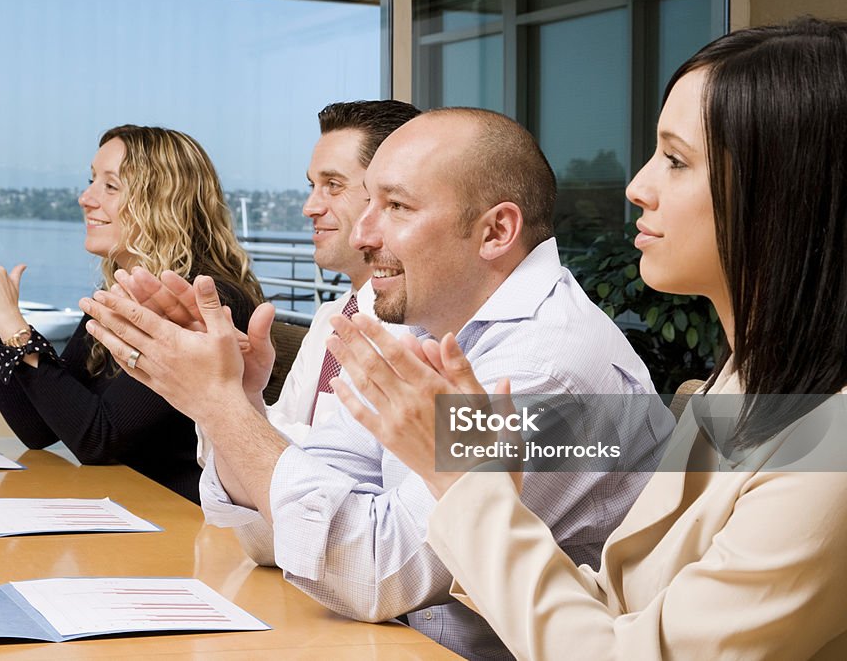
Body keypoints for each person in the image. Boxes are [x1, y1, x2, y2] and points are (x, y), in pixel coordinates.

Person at [327, 18, 847, 658]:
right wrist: (476, 486)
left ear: (786, 196)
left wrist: (464, 484)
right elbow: (618, 608)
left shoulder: (828, 455)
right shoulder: (739, 386)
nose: (637, 188)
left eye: (677, 160)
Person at [80, 108, 673, 659]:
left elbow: (373, 572)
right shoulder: (420, 329)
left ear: (496, 232)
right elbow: (277, 533)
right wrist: (229, 404)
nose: (363, 234)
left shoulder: (548, 369)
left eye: (395, 206)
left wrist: (216, 405)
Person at [0, 125, 262, 503]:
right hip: (127, 512)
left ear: (163, 202)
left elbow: (97, 438)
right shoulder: (120, 295)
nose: (85, 198)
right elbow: (41, 428)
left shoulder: (205, 302)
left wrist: (11, 322)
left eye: (111, 186)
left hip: (186, 532)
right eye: (92, 181)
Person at [119, 100, 419, 457]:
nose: (309, 207)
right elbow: (293, 463)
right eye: (313, 185)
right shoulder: (331, 318)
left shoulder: (427, 328)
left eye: (333, 185)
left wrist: (221, 400)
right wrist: (236, 394)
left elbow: (348, 473)